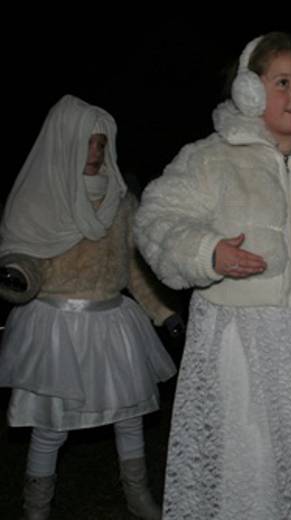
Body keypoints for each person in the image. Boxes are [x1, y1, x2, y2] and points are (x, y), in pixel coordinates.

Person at [134, 33, 291, 519]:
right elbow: (156, 219)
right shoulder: (211, 157)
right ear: (249, 90)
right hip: (234, 335)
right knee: (246, 449)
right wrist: (208, 252)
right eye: (282, 81)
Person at [0, 95, 181, 520]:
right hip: (56, 327)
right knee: (51, 424)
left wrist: (163, 312)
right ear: (64, 144)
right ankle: (36, 507)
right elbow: (23, 260)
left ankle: (138, 497)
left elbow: (135, 269)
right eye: (88, 144)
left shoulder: (121, 202)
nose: (96, 154)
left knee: (130, 413)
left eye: (102, 144)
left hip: (112, 324)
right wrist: (16, 276)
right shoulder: (38, 200)